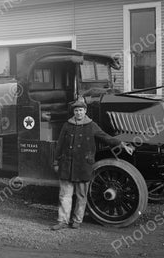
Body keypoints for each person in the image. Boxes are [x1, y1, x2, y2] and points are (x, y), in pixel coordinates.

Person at [51, 96, 133, 230]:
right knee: (64, 195)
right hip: (67, 166)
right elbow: (59, 145)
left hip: (83, 166)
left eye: (81, 110)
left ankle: (77, 220)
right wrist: (56, 161)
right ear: (74, 112)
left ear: (85, 111)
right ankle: (62, 221)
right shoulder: (67, 125)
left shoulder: (91, 125)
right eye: (76, 110)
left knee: (81, 196)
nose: (78, 113)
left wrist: (121, 144)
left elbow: (106, 137)